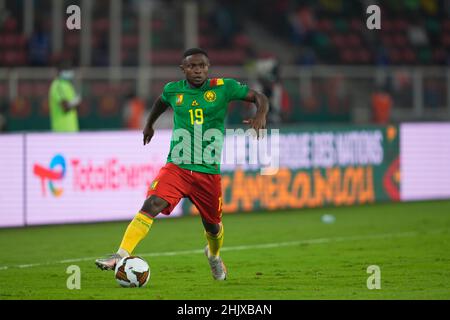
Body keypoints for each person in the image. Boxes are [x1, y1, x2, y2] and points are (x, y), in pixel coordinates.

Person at [95, 48, 269, 280]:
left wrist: (261, 114)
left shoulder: (223, 87)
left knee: (213, 228)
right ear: (183, 69)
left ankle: (214, 256)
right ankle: (121, 254)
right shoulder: (173, 90)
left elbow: (260, 97)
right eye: (192, 66)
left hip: (207, 172)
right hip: (177, 166)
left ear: (208, 67)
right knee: (152, 203)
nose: (197, 70)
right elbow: (160, 102)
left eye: (202, 66)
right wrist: (149, 124)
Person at [48, 60, 81, 132]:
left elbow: (77, 108)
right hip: (61, 130)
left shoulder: (68, 85)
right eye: (67, 70)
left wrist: (75, 103)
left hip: (72, 129)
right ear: (60, 71)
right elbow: (64, 107)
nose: (70, 72)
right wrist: (75, 102)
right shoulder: (57, 85)